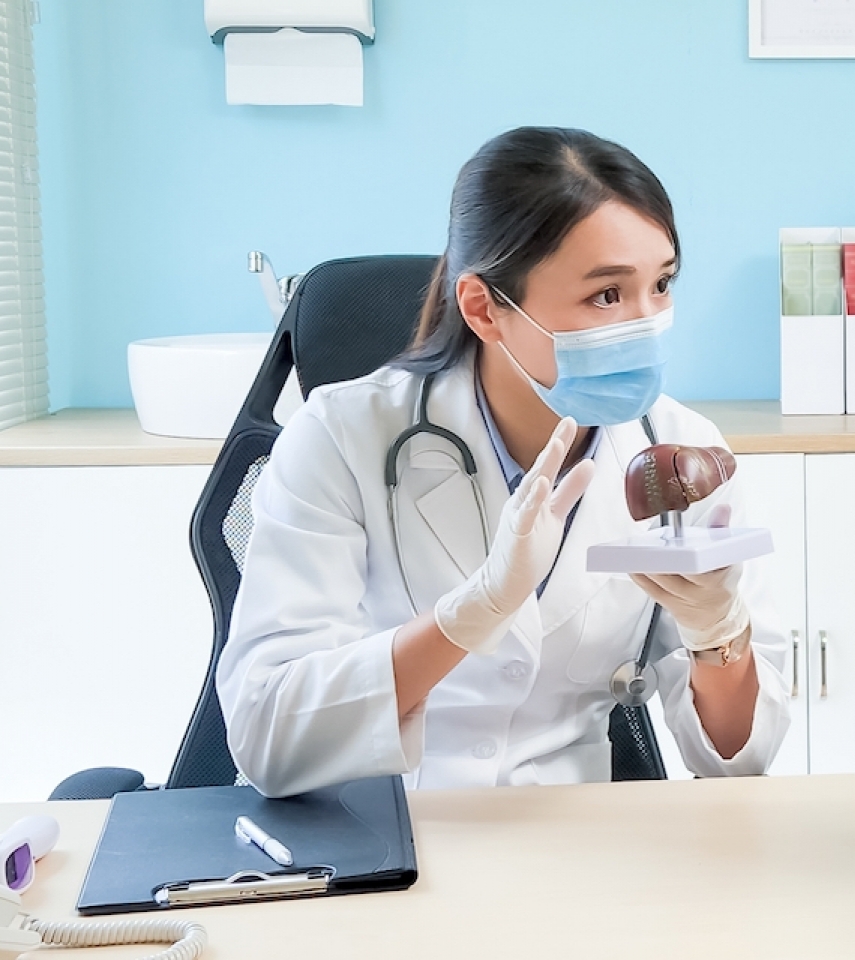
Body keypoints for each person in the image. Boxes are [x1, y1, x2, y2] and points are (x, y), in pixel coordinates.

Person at [217, 126, 790, 798]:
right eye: (607, 295)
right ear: (485, 308)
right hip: (386, 829)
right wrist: (471, 614)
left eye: (661, 285)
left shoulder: (677, 449)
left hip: (572, 840)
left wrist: (717, 633)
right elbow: (266, 736)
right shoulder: (342, 438)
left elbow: (736, 764)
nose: (647, 322)